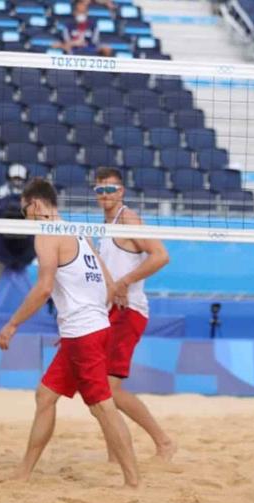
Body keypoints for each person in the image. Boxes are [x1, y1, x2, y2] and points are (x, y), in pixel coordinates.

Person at [0, 178, 139, 487]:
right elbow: (110, 286)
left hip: (84, 333)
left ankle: (133, 481)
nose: (26, 218)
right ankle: (23, 474)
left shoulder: (47, 234)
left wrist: (12, 324)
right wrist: (82, 321)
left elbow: (44, 288)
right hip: (87, 330)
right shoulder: (79, 232)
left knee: (102, 407)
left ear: (35, 205)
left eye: (24, 211)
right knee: (45, 395)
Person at [93, 167, 176, 461]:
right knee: (98, 391)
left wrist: (125, 283)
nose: (105, 195)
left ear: (121, 191)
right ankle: (115, 454)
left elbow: (161, 255)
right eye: (100, 190)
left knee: (109, 390)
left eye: (110, 189)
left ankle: (163, 442)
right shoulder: (106, 227)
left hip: (128, 312)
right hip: (108, 313)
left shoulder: (127, 218)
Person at [0, 164, 29, 301]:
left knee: (20, 274)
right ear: (8, 178)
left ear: (24, 179)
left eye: (20, 178)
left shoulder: (28, 195)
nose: (17, 181)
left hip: (22, 241)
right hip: (0, 240)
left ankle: (25, 303)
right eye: (14, 178)